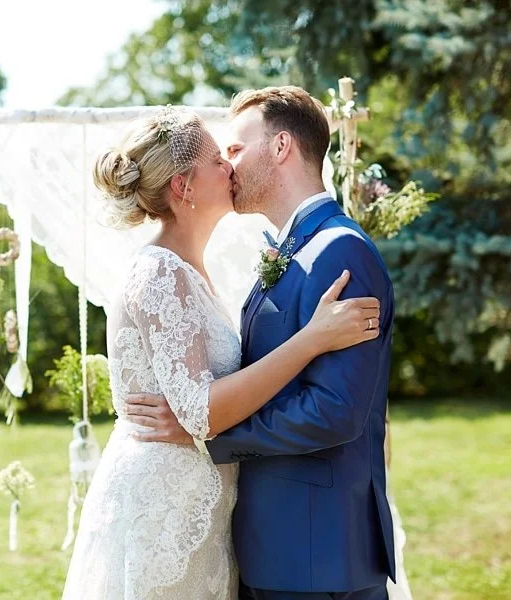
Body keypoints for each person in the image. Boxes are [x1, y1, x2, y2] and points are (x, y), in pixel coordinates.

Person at [61, 102, 382, 599]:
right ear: (183, 187)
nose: (229, 166)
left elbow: (325, 405)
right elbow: (200, 413)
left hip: (216, 513)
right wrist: (311, 339)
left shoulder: (196, 269)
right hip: (166, 511)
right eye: (218, 158)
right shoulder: (161, 272)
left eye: (232, 151)